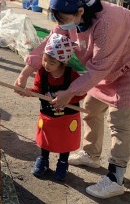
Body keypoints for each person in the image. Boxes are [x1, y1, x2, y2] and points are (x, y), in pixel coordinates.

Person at [15, 0, 130, 199]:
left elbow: (99, 67)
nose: (61, 24)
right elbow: (49, 42)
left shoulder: (110, 21)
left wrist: (70, 91)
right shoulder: (71, 18)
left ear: (80, 11)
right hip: (105, 69)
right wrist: (26, 72)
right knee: (91, 108)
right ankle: (91, 154)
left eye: (63, 19)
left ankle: (115, 178)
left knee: (119, 122)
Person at [26, 33, 85, 181]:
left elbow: (82, 93)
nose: (46, 65)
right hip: (47, 115)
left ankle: (63, 163)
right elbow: (38, 89)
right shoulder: (42, 72)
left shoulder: (72, 75)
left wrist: (70, 97)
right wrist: (29, 92)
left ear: (62, 63)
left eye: (51, 63)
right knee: (46, 137)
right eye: (45, 60)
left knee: (65, 141)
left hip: (68, 116)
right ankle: (43, 159)